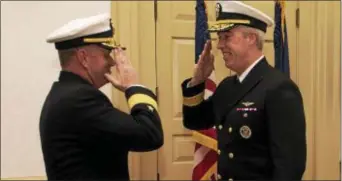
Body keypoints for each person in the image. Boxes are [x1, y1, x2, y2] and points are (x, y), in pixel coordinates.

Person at [181, 1, 306, 180]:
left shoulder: (279, 88)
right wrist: (197, 81)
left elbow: (289, 168)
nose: (219, 45)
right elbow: (195, 122)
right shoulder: (227, 86)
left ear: (251, 38)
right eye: (219, 37)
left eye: (227, 36)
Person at [39, 13, 163, 180]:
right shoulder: (79, 100)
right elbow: (150, 135)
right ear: (83, 58)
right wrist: (134, 87)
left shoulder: (66, 93)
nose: (112, 63)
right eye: (106, 55)